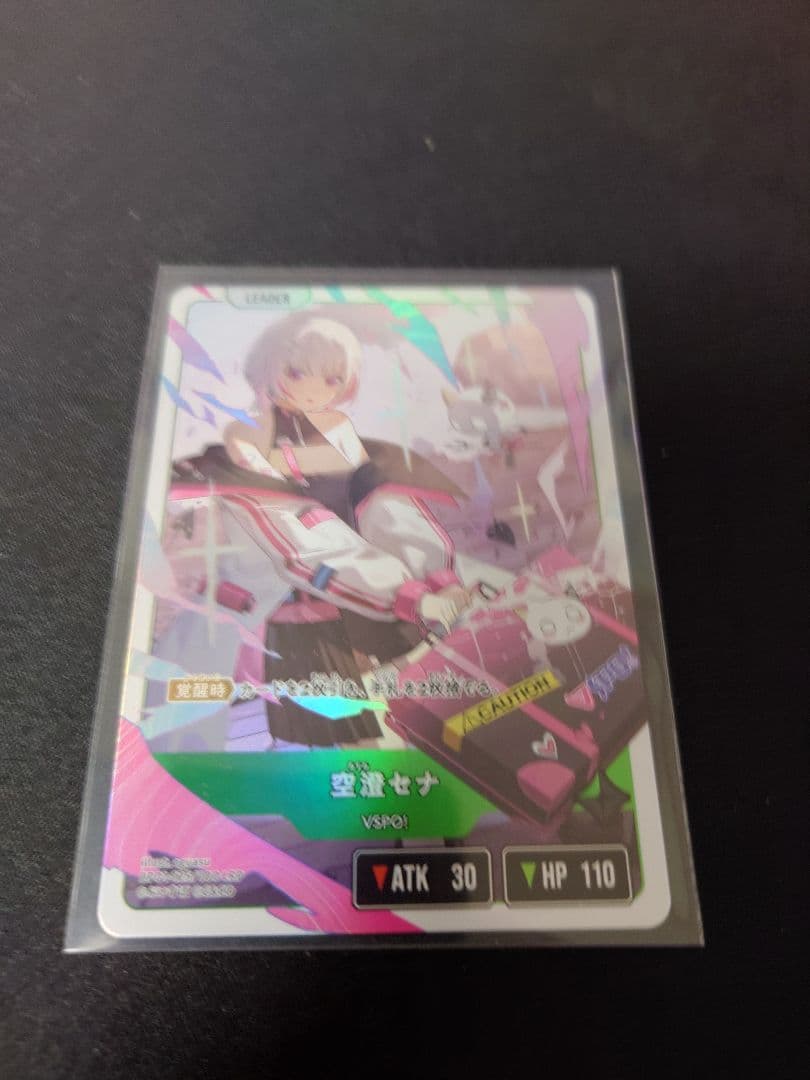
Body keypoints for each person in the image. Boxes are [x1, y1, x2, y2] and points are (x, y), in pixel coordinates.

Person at [173, 313, 470, 745]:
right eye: (296, 372)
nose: (312, 389)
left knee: (413, 714)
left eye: (331, 379)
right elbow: (275, 500)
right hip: (302, 598)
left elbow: (366, 482)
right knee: (344, 735)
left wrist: (434, 579)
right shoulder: (247, 431)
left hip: (369, 588)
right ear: (268, 366)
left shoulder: (337, 428)